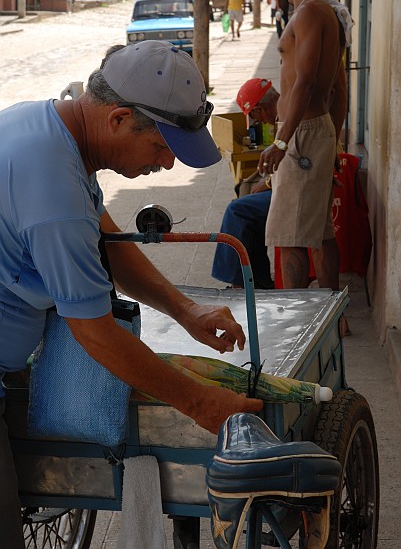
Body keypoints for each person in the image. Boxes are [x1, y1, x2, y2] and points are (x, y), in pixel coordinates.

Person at [0, 40, 263, 547]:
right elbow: (96, 334)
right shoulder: (54, 191)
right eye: (162, 148)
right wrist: (200, 403)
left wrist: (185, 309)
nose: (166, 166)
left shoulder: (49, 128)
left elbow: (108, 242)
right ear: (118, 118)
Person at [258, 0, 350, 290]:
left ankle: (298, 325)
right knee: (319, 231)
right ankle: (333, 318)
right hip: (316, 131)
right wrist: (335, 142)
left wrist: (282, 140)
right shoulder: (327, 14)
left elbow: (306, 81)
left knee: (291, 234)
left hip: (302, 135)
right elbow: (339, 90)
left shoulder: (310, 12)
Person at [212, 80, 280, 289]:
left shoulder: (286, 118)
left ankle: (239, 282)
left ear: (260, 109)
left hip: (293, 192)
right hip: (286, 185)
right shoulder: (284, 114)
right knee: (244, 193)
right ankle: (258, 279)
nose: (257, 122)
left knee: (238, 210)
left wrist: (267, 182)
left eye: (254, 116)